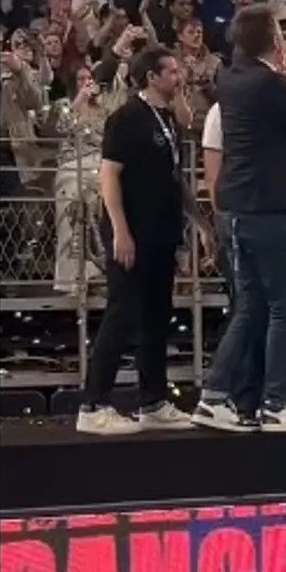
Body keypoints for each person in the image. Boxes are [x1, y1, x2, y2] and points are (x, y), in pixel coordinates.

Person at [191, 5, 286, 432]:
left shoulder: (233, 78)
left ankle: (214, 395)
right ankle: (277, 402)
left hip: (240, 210)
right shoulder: (266, 84)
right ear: (273, 41)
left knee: (251, 307)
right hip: (267, 210)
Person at [77, 46, 214, 434]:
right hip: (131, 230)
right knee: (123, 313)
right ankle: (93, 404)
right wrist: (120, 229)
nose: (179, 76)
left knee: (157, 316)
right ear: (151, 77)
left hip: (161, 233)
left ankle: (152, 400)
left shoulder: (167, 118)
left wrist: (200, 224)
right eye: (171, 71)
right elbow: (109, 177)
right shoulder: (127, 118)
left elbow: (175, 177)